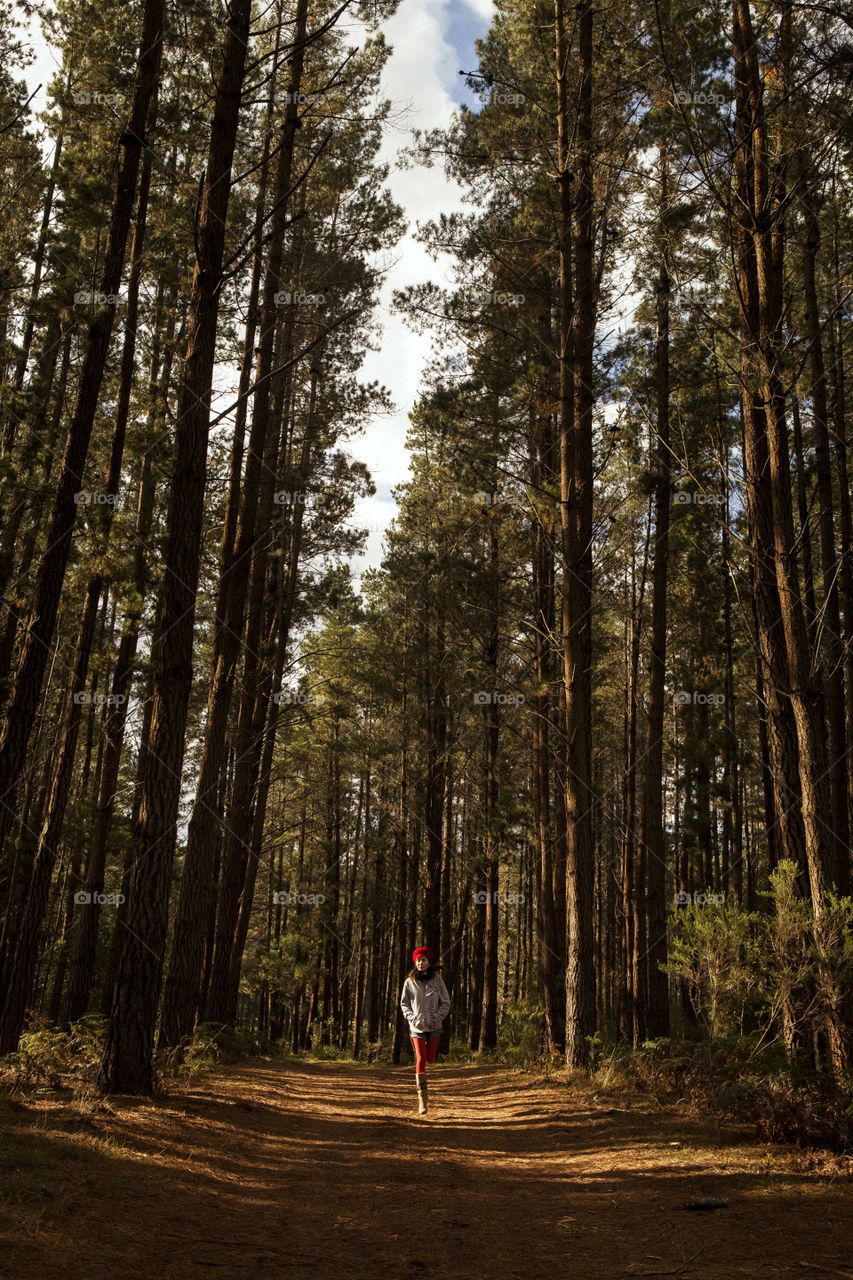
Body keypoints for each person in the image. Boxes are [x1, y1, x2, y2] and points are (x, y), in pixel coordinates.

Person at [400, 946, 450, 1115]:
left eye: (424, 960)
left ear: (429, 963)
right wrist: (412, 1018)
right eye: (418, 960)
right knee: (420, 1059)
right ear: (415, 962)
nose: (420, 963)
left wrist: (438, 1017)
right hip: (417, 1028)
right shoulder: (410, 982)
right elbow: (404, 1003)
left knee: (430, 1059)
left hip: (434, 1027)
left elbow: (446, 1002)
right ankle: (423, 1099)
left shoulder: (437, 980)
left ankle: (424, 1093)